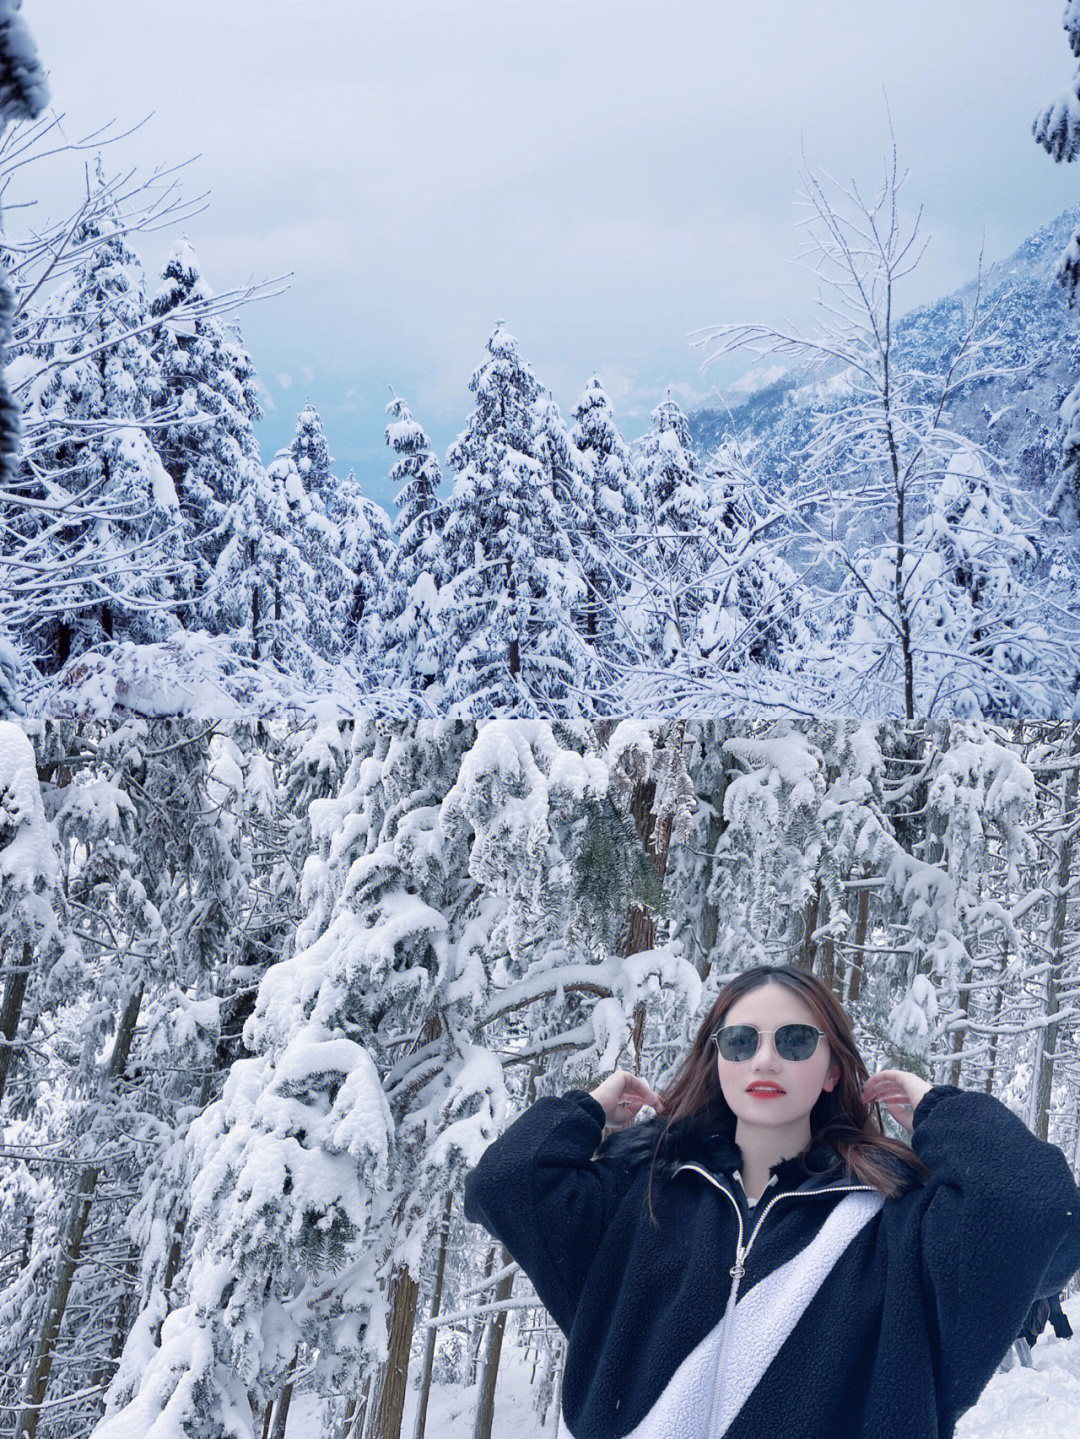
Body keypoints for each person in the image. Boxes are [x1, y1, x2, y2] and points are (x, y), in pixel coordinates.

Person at [462, 964, 1080, 1439]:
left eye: (793, 1040)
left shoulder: (896, 1227)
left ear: (833, 1070)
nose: (764, 1058)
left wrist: (937, 1109)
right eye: (739, 1041)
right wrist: (592, 1108)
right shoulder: (644, 1196)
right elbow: (509, 1182)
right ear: (717, 1058)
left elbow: (1036, 1207)